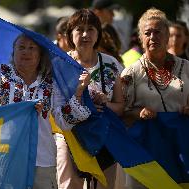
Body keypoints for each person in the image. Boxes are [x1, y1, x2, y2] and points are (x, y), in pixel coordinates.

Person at [0, 9, 93, 189]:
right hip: (4, 155)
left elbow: (63, 121)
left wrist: (79, 92)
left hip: (42, 160)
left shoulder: (50, 82)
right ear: (13, 52)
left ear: (40, 55)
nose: (26, 52)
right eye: (21, 47)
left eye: (31, 48)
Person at [55, 9, 124, 189]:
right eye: (79, 29)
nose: (85, 34)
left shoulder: (111, 64)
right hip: (68, 138)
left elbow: (120, 107)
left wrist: (105, 104)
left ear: (98, 33)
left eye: (91, 29)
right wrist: (80, 95)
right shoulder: (59, 65)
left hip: (104, 137)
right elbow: (55, 107)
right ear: (70, 34)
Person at [121, 8, 189, 188]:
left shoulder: (186, 67)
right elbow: (121, 113)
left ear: (168, 35)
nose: (153, 37)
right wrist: (138, 113)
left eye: (158, 32)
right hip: (145, 152)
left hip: (180, 148)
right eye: (147, 33)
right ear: (141, 39)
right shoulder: (131, 73)